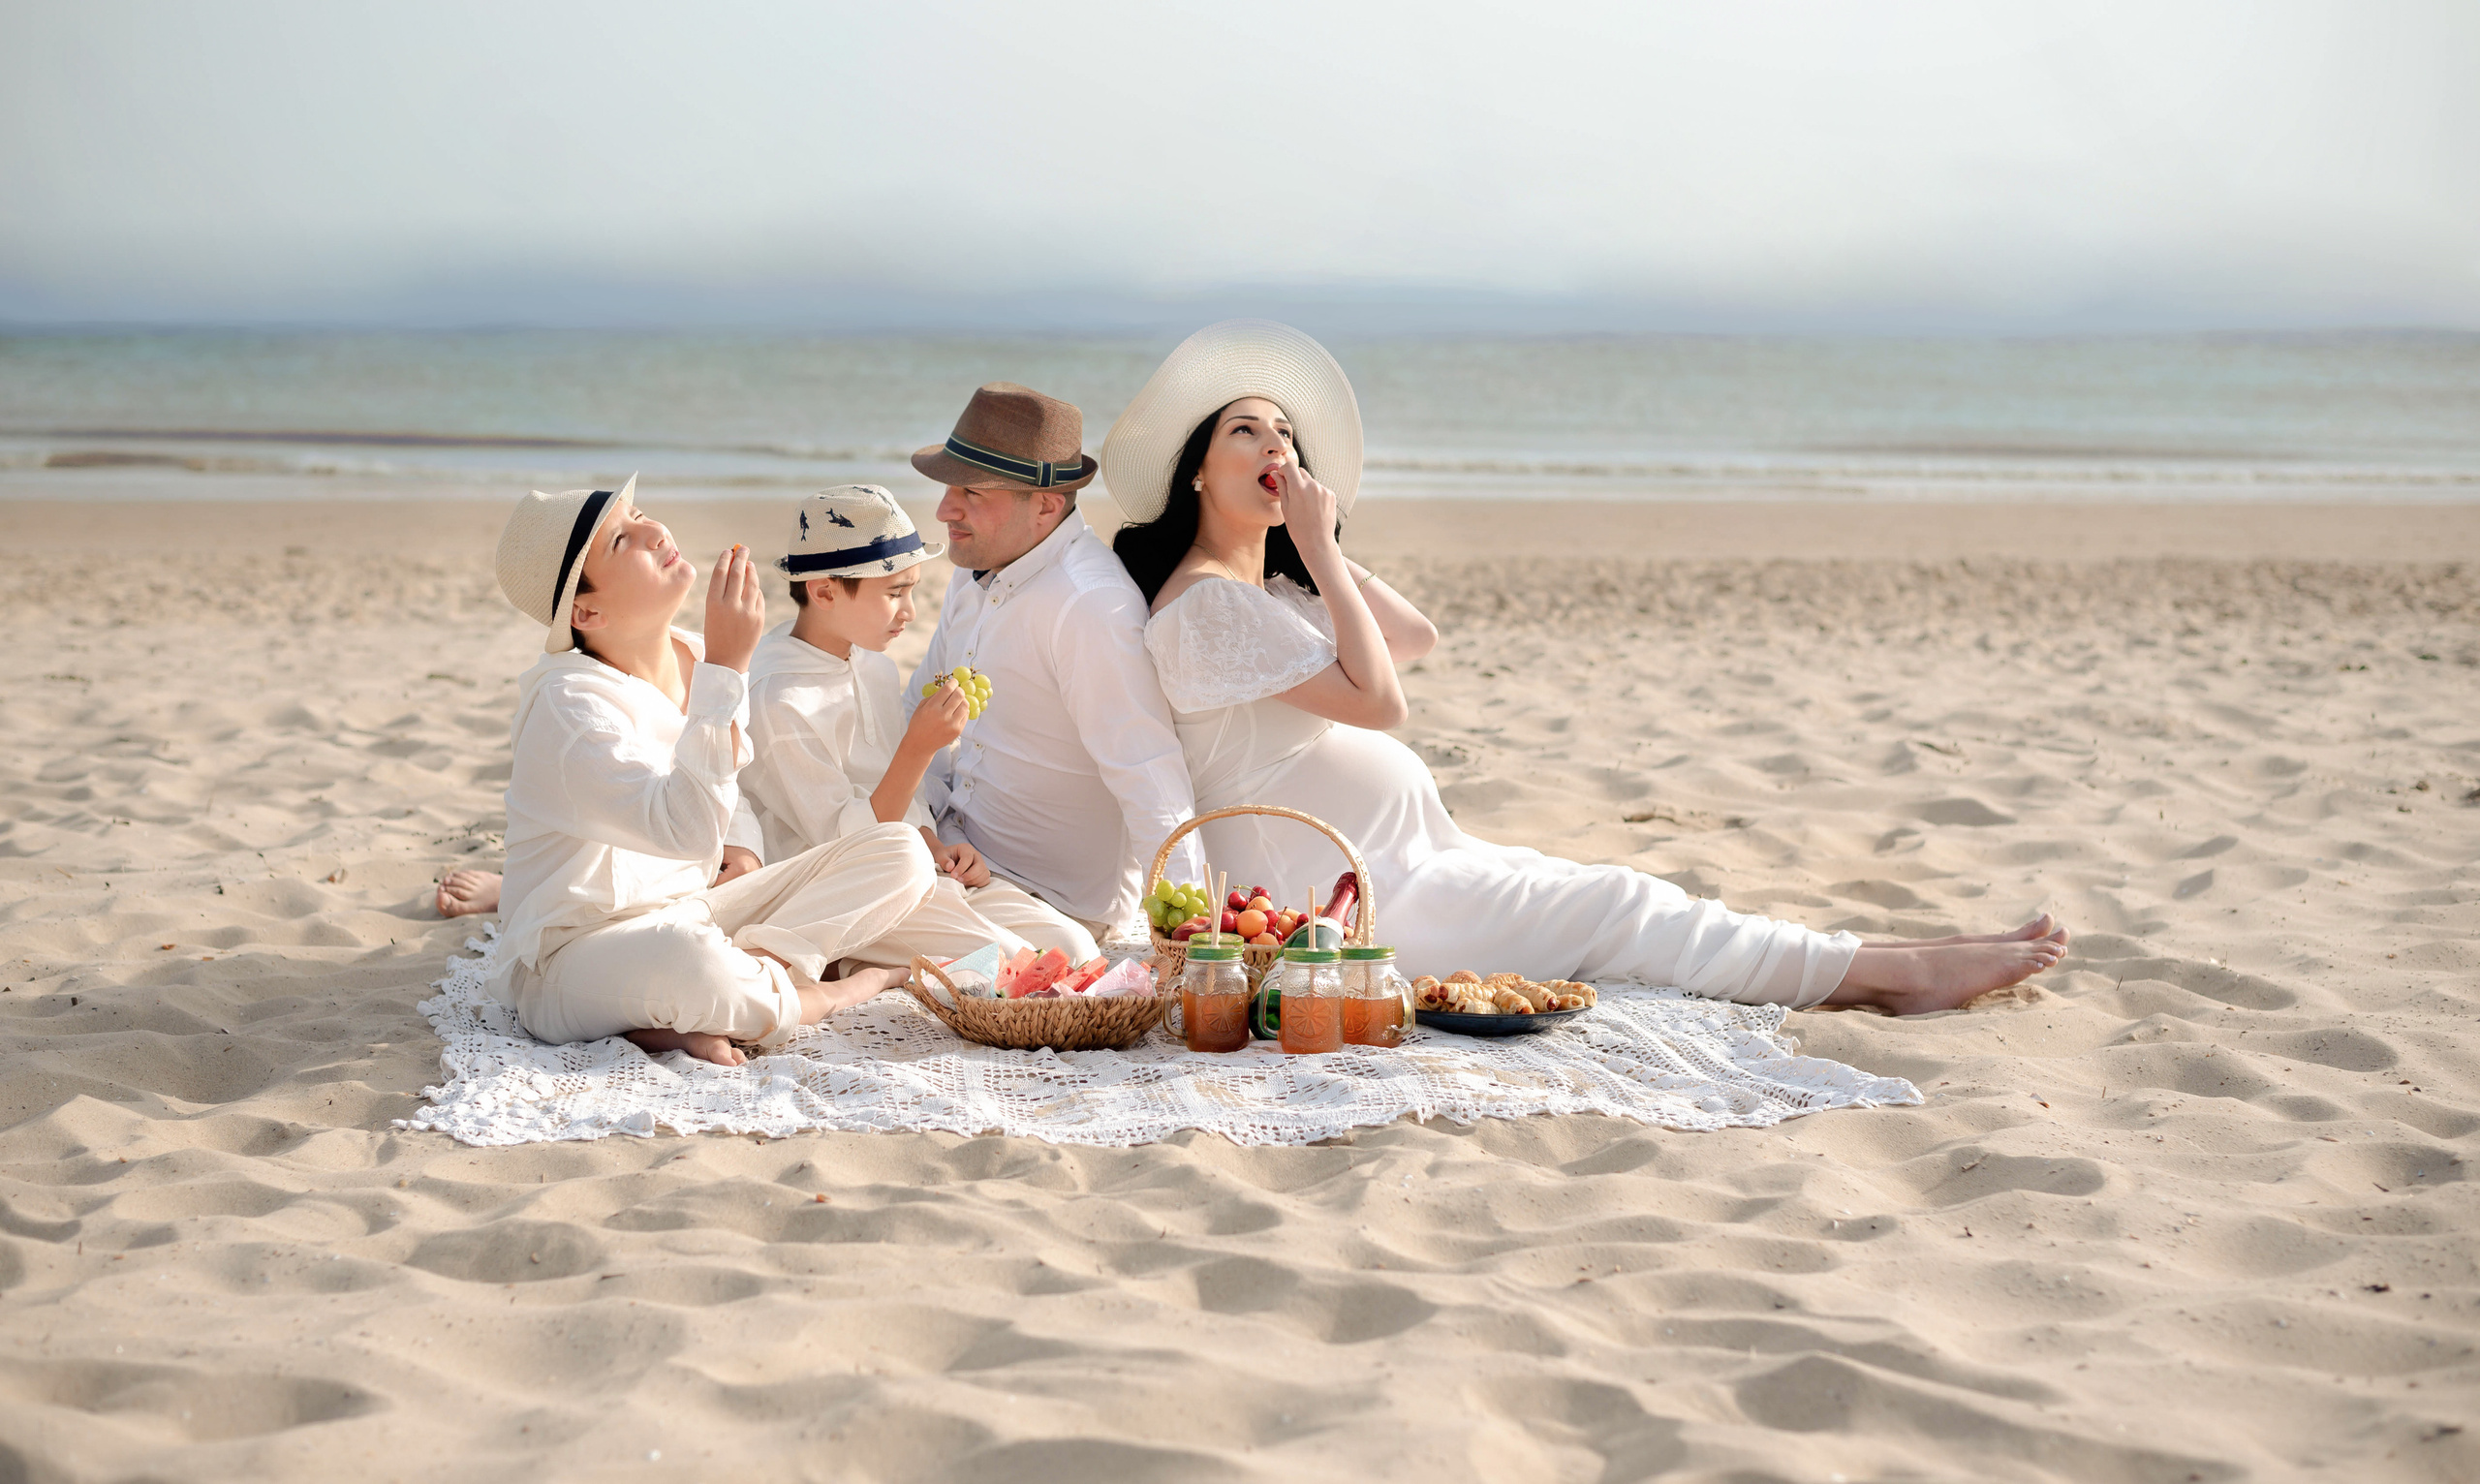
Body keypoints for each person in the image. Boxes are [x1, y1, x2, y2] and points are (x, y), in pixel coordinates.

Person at [1105, 322, 2067, 1011]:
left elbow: (1412, 634)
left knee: (1616, 891)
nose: (1275, 444)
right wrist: (1310, 546)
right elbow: (1381, 701)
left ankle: (1889, 954)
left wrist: (1313, 544)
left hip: (1414, 859)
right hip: (1344, 901)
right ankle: (1890, 977)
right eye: (1246, 431)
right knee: (1617, 903)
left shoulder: (1263, 591)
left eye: (1285, 434)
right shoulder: (1203, 606)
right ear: (1195, 468)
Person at [488, 477, 993, 1067]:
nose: (655, 530)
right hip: (581, 950)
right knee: (688, 961)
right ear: (586, 611)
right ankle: (832, 992)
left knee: (901, 852)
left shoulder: (695, 654)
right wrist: (728, 667)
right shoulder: (569, 706)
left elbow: (736, 794)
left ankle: (738, 987)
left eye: (643, 513)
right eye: (623, 540)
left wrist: (746, 851)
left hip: (700, 910)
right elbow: (684, 829)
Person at [740, 485, 1099, 963]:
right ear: (824, 591)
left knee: (1077, 946)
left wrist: (939, 842)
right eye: (894, 593)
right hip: (846, 894)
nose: (909, 612)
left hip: (918, 869)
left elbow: (899, 796)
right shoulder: (779, 699)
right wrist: (920, 748)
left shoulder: (872, 663)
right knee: (1023, 963)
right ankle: (849, 960)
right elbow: (848, 847)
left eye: (912, 590)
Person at [903, 382, 1204, 939]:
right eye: (949, 488)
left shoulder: (1088, 605)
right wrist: (922, 826)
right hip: (949, 852)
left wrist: (1193, 930)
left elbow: (1147, 771)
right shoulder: (975, 573)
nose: (945, 509)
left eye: (972, 491)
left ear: (1045, 504)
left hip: (1047, 900)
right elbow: (915, 710)